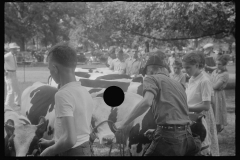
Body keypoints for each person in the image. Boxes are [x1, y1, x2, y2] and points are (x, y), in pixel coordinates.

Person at [115, 53, 201, 156]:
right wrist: (158, 130)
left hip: (170, 138)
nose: (146, 75)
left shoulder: (151, 78)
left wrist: (123, 123)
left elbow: (146, 102)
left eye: (146, 73)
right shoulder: (178, 84)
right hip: (187, 135)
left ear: (150, 70)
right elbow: (177, 113)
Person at [39, 42, 94, 156]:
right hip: (85, 149)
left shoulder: (62, 94)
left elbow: (70, 140)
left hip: (72, 152)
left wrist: (49, 151)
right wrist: (52, 142)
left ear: (55, 68)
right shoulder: (83, 91)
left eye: (49, 69)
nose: (50, 72)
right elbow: (78, 131)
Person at [182, 52, 219, 156]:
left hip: (202, 119)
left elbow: (206, 106)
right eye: (184, 68)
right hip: (192, 117)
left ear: (197, 65)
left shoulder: (204, 80)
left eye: (188, 67)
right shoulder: (192, 78)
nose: (185, 70)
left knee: (204, 150)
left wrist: (185, 108)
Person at [210, 55, 230, 134]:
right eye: (216, 64)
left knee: (217, 111)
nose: (217, 66)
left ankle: (217, 130)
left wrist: (210, 84)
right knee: (212, 111)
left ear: (224, 65)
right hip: (212, 93)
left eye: (219, 64)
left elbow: (215, 86)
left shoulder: (225, 74)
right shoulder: (215, 71)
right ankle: (213, 130)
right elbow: (210, 81)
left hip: (218, 95)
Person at [4, 43, 21, 110]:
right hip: (9, 73)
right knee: (11, 90)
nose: (16, 50)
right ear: (11, 49)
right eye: (14, 49)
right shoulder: (7, 55)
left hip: (14, 73)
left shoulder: (13, 55)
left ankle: (17, 103)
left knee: (17, 89)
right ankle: (7, 105)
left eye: (16, 49)